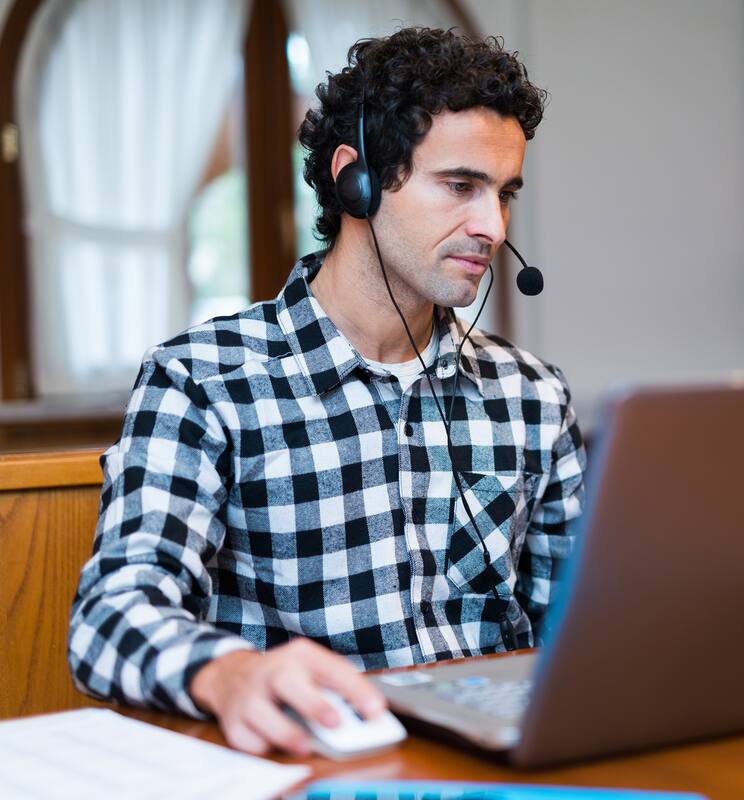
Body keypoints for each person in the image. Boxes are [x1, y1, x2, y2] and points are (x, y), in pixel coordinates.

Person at [68, 27, 585, 757]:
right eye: (462, 186)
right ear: (357, 180)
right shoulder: (205, 381)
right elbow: (109, 619)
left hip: (493, 771)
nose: (492, 227)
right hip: (312, 764)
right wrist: (230, 674)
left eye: (505, 194)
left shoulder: (533, 395)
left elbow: (579, 630)